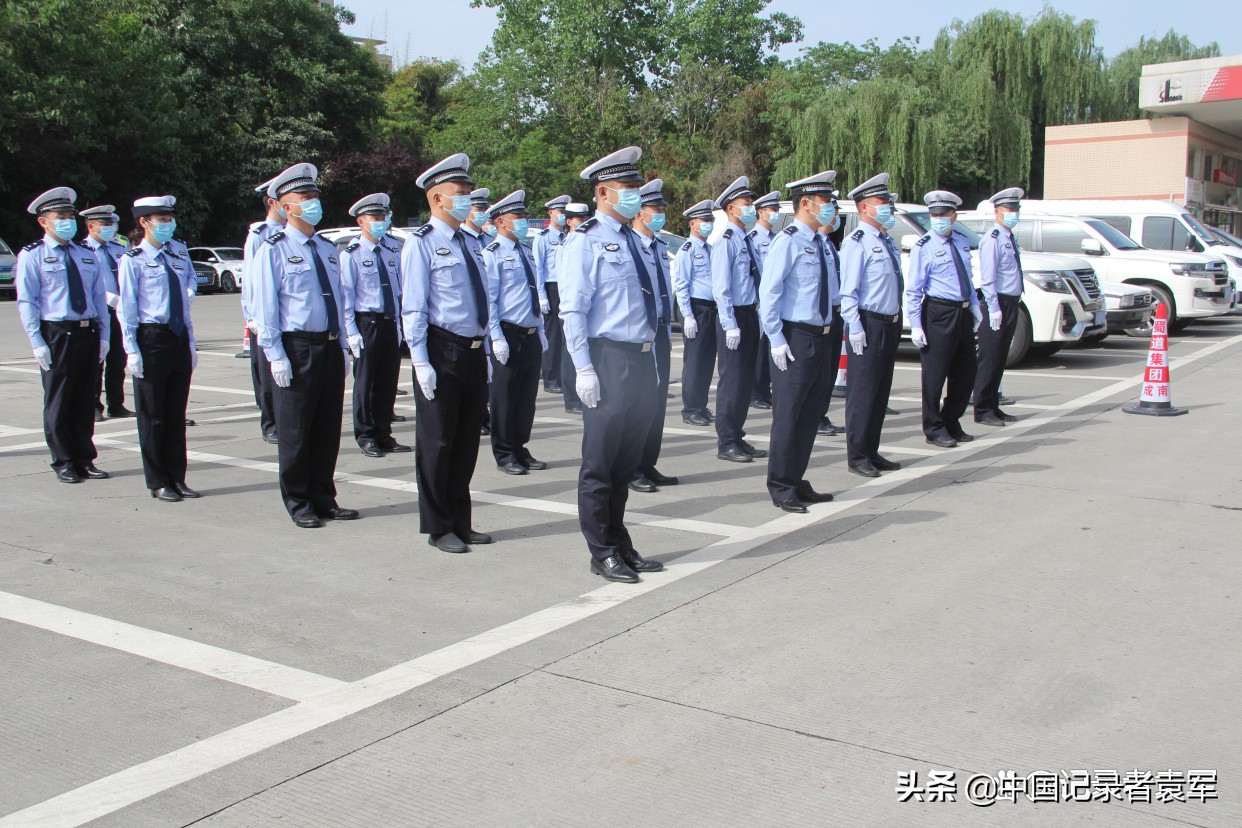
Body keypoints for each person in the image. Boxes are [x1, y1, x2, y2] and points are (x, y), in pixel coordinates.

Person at [560, 146, 664, 584]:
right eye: (628, 190)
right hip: (608, 359)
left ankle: (620, 541)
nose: (636, 197)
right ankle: (600, 550)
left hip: (641, 360)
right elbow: (573, 311)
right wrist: (583, 367)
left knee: (625, 462)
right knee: (601, 463)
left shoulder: (633, 241)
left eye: (638, 189)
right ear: (603, 192)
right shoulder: (584, 241)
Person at [252, 162, 359, 528]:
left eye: (314, 195)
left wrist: (342, 345)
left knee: (327, 429)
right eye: (304, 197)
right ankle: (298, 501)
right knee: (296, 431)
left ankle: (324, 497)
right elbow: (267, 307)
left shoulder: (328, 249)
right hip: (296, 349)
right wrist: (275, 354)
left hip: (328, 346)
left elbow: (340, 300)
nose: (312, 202)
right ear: (284, 206)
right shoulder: (273, 249)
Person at [401, 153, 494, 553]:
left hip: (472, 352)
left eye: (468, 193)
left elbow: (482, 300)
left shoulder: (470, 244)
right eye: (459, 194)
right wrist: (420, 360)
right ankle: (439, 526)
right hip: (441, 352)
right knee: (438, 444)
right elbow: (413, 307)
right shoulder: (421, 244)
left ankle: (461, 519)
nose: (467, 201)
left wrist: (487, 349)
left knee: (466, 442)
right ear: (437, 199)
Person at [15, 187, 110, 484]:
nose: (67, 221)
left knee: (85, 399)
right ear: (44, 221)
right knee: (59, 401)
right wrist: (36, 341)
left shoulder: (86, 254)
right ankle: (63, 461)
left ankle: (84, 458)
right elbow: (27, 301)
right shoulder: (33, 256)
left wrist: (104, 336)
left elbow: (98, 298)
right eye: (61, 217)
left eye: (70, 216)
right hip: (57, 333)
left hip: (87, 331)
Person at [759, 172, 839, 513]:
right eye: (825, 201)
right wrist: (776, 339)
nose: (831, 207)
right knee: (789, 415)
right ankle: (780, 485)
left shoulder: (821, 243)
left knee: (810, 414)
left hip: (823, 336)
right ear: (806, 203)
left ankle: (796, 477)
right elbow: (769, 294)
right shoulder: (788, 241)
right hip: (795, 337)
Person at [117, 196, 200, 501]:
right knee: (153, 415)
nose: (168, 224)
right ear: (144, 222)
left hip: (177, 336)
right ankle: (158, 480)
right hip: (151, 338)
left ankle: (177, 477)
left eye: (170, 219)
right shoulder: (133, 260)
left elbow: (187, 294)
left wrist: (190, 344)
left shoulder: (178, 253)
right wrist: (132, 350)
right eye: (161, 220)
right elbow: (126, 309)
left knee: (176, 413)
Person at [840, 172, 904, 478]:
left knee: (880, 392)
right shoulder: (857, 243)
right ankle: (858, 455)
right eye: (883, 203)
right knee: (863, 393)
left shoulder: (885, 241)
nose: (888, 208)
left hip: (890, 323)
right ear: (865, 207)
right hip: (868, 322)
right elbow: (848, 291)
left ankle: (872, 449)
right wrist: (854, 326)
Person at [907, 190, 982, 448]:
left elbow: (968, 278)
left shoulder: (961, 241)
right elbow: (914, 289)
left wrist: (974, 306)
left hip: (961, 311)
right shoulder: (924, 246)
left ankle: (951, 420)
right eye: (934, 214)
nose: (938, 218)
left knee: (965, 372)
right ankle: (934, 427)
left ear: (954, 216)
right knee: (935, 375)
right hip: (938, 312)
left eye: (943, 214)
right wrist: (916, 324)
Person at [482, 189, 548, 475]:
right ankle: (505, 451)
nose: (522, 221)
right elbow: (490, 301)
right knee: (505, 398)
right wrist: (496, 336)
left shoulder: (526, 251)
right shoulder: (492, 255)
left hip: (530, 333)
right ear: (500, 222)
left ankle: (520, 446)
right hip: (508, 334)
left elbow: (532, 293)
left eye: (523, 215)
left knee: (526, 398)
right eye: (516, 217)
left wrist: (541, 330)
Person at [341, 192, 410, 458]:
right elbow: (346, 296)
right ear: (361, 221)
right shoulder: (352, 254)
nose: (380, 222)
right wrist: (351, 331)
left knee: (387, 382)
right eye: (374, 218)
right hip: (366, 323)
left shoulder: (392, 251)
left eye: (383, 217)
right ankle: (366, 435)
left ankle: (383, 433)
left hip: (389, 321)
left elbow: (398, 292)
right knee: (366, 383)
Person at [710, 176, 768, 464]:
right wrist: (729, 323)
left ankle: (737, 435)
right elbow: (721, 287)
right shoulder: (726, 241)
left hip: (749, 313)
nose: (751, 209)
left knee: (745, 381)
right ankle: (726, 441)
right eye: (747, 205)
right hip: (734, 316)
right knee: (732, 381)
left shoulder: (747, 239)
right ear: (732, 209)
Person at [629, 178, 678, 493]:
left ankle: (648, 462)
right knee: (637, 403)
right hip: (638, 333)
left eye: (661, 209)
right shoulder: (628, 244)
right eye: (654, 209)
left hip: (660, 330)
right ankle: (632, 468)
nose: (659, 214)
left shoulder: (659, 247)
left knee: (656, 402)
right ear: (638, 212)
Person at [974, 187, 1025, 427]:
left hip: (1012, 302)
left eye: (1016, 209)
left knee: (1000, 357)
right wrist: (993, 308)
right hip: (998, 304)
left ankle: (993, 405)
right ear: (997, 212)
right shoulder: (992, 238)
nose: (1014, 213)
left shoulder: (1008, 237)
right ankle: (983, 408)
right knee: (989, 358)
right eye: (1009, 209)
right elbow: (988, 277)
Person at [241, 176, 285, 444]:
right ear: (272, 203)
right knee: (268, 374)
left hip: (288, 317)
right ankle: (270, 423)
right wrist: (251, 316)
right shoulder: (259, 236)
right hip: (264, 315)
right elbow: (250, 280)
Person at [80, 205, 132, 421]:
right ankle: (93, 405)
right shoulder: (82, 250)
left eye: (112, 224)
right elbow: (84, 283)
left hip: (121, 310)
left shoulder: (119, 247)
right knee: (96, 361)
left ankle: (116, 403)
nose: (110, 228)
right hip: (98, 311)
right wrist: (105, 297)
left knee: (118, 359)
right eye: (105, 224)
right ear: (91, 226)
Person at [673, 199, 717, 426]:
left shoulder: (710, 249)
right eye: (704, 220)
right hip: (696, 308)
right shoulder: (686, 251)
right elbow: (681, 285)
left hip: (711, 309)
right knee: (695, 361)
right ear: (692, 224)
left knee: (707, 361)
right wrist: (687, 315)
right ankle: (690, 409)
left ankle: (701, 405)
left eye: (710, 220)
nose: (708, 224)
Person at [748, 190, 781, 410]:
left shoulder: (775, 238)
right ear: (761, 212)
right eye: (773, 210)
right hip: (760, 301)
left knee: (770, 347)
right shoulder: (753, 238)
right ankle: (756, 392)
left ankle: (764, 389)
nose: (776, 213)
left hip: (772, 301)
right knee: (760, 351)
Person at [533, 194, 570, 393]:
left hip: (565, 287)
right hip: (551, 287)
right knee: (552, 335)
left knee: (566, 335)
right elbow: (538, 268)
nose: (563, 215)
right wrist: (541, 294)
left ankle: (564, 376)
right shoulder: (543, 238)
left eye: (565, 211)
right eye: (560, 211)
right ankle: (550, 378)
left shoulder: (567, 237)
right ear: (550, 213)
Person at [816, 200, 846, 437]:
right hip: (818, 319)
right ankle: (815, 417)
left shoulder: (827, 244)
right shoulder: (813, 243)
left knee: (828, 372)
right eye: (832, 212)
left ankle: (820, 415)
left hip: (835, 315)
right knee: (819, 374)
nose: (834, 217)